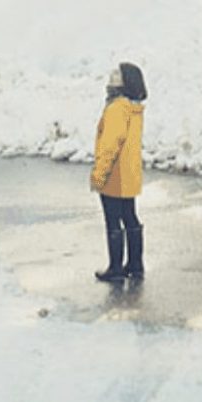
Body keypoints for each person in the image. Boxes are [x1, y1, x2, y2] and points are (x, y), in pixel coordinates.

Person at [90, 61, 147, 282]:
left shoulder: (116, 109)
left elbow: (109, 145)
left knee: (113, 220)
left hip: (114, 175)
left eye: (116, 74)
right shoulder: (134, 108)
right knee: (130, 217)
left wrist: (99, 174)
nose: (111, 77)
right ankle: (135, 264)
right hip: (130, 174)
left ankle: (115, 268)